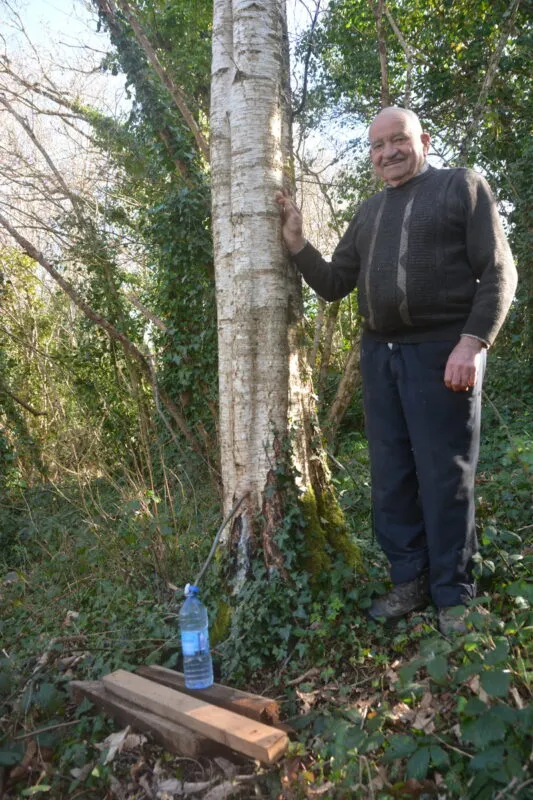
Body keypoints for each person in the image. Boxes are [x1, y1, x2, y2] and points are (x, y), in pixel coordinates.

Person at [276, 107, 517, 635]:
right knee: (390, 476)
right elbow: (336, 282)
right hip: (379, 356)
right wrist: (296, 242)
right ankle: (408, 580)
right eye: (377, 145)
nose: (388, 152)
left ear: (423, 140)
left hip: (443, 354)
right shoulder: (368, 213)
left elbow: (500, 270)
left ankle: (454, 593)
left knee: (445, 475)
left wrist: (473, 342)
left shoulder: (462, 188)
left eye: (398, 140)